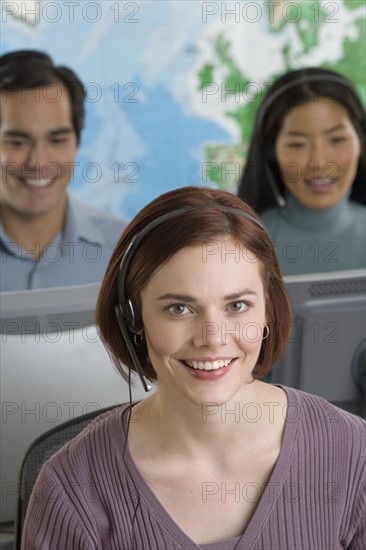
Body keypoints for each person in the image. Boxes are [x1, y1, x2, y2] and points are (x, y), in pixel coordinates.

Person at [21, 187, 365, 549]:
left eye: (237, 306)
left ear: (268, 309)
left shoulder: (353, 455)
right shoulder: (73, 487)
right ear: (133, 319)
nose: (212, 338)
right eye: (179, 309)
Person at [0, 50, 126, 291]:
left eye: (57, 140)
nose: (38, 162)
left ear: (76, 142)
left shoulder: (125, 252)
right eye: (17, 142)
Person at [237, 67, 366, 276]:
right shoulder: (242, 248)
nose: (319, 163)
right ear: (271, 151)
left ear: (361, 141)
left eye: (337, 139)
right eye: (297, 144)